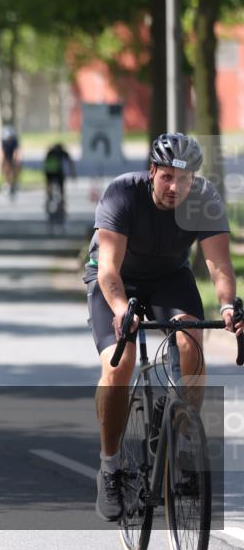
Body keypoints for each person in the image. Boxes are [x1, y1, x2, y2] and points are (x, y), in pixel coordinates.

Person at [85, 132, 243, 521]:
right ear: (152, 171)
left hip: (170, 277)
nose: (175, 187)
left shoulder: (204, 201)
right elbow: (108, 269)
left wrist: (227, 306)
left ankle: (184, 444)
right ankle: (109, 467)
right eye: (167, 176)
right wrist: (122, 309)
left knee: (191, 344)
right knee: (118, 365)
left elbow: (220, 267)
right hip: (116, 280)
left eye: (184, 179)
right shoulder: (123, 195)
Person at [44, 141, 76, 206]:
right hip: (58, 172)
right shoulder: (63, 152)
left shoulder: (50, 152)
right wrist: (73, 174)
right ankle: (62, 198)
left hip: (49, 172)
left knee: (49, 184)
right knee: (61, 185)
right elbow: (70, 163)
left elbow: (45, 164)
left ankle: (49, 196)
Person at [0, 125, 20, 197]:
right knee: (4, 167)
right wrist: (2, 160)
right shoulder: (3, 142)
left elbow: (17, 151)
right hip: (7, 156)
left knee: (17, 165)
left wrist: (16, 159)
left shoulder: (15, 141)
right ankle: (5, 182)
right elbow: (2, 152)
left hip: (13, 155)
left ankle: (16, 181)